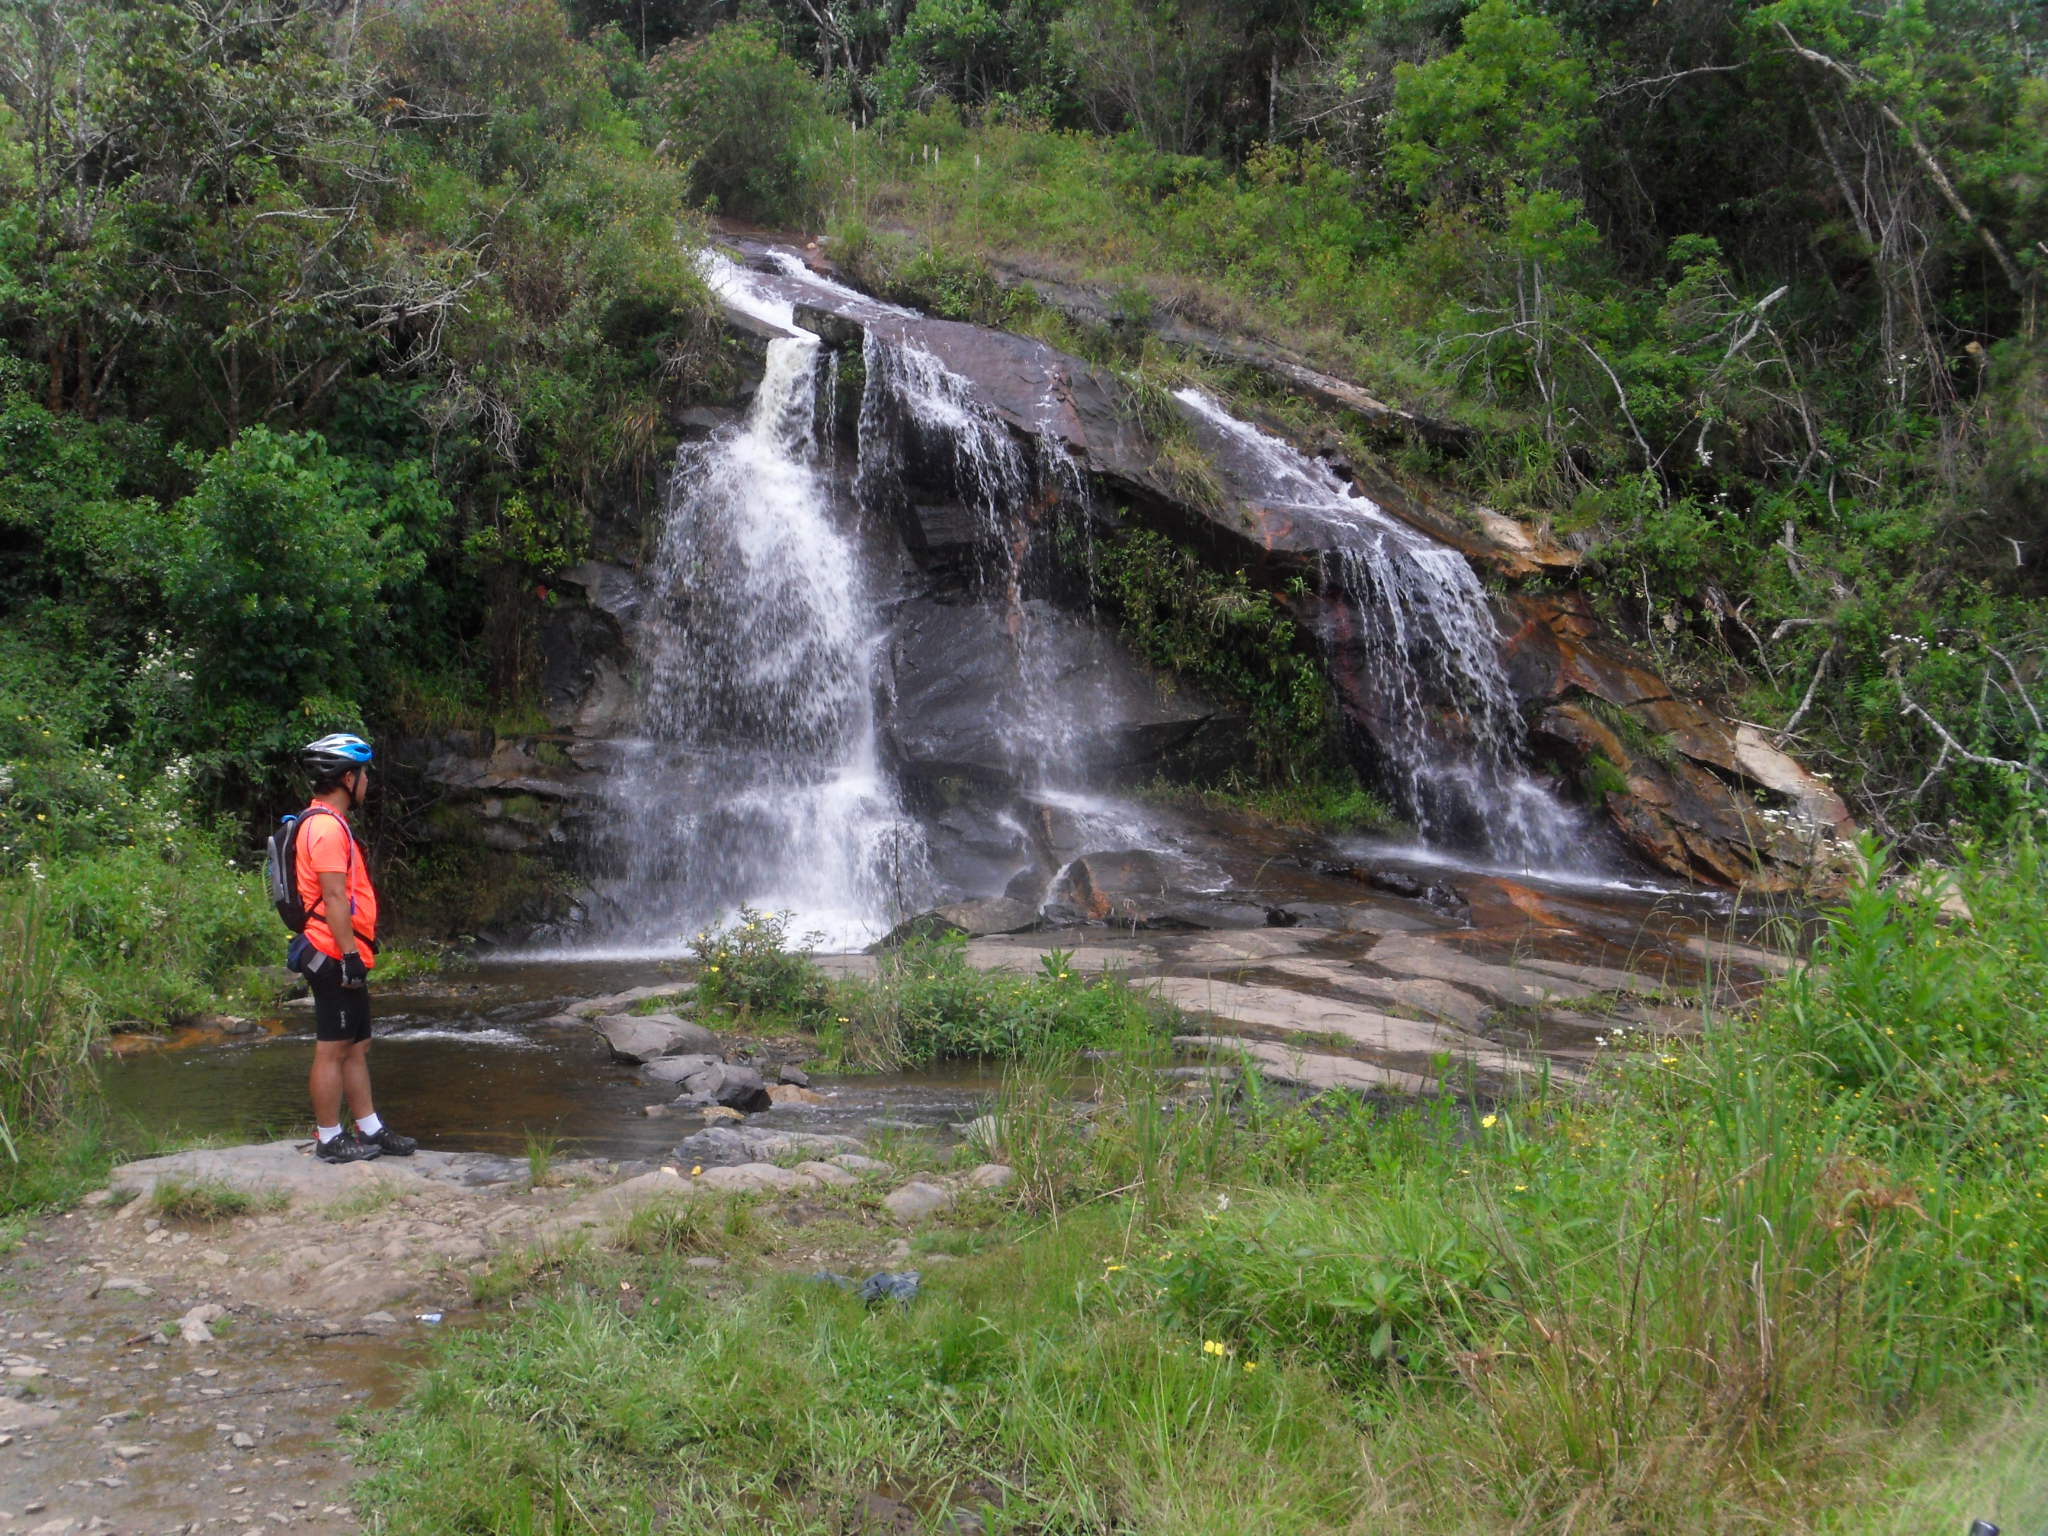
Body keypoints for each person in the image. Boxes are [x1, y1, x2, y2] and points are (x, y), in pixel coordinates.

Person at [292, 733, 416, 1165]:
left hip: (346, 951)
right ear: (348, 778)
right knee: (332, 1047)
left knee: (356, 1045)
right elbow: (333, 897)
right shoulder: (325, 827)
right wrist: (347, 957)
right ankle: (328, 1137)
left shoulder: (329, 822)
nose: (368, 783)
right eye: (364, 775)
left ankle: (370, 1129)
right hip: (332, 951)